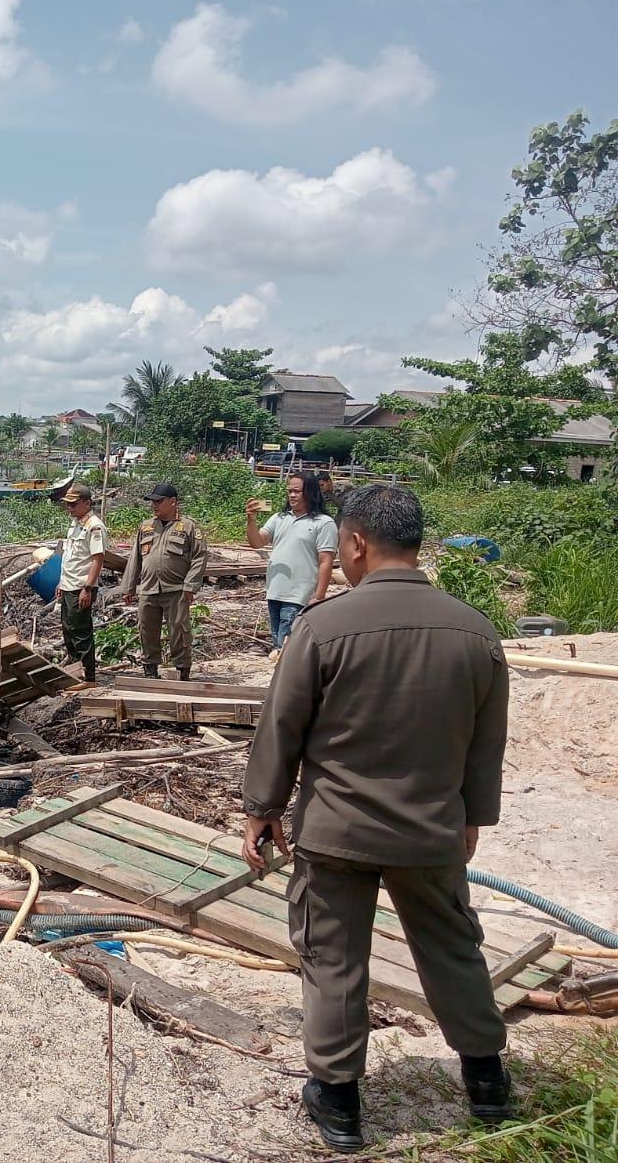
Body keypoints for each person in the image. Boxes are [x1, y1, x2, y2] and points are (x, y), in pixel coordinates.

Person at [242, 484, 512, 1152]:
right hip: (431, 831)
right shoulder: (476, 631)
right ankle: (486, 1084)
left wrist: (262, 808)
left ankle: (338, 1106)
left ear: (356, 543)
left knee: (334, 960)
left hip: (336, 831)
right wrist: (473, 817)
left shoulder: (323, 627)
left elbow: (283, 725)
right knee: (452, 949)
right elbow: (486, 741)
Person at [120, 482, 208, 680]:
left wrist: (191, 585)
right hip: (149, 588)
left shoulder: (188, 527)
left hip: (176, 589)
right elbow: (136, 558)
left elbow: (200, 557)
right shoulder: (146, 526)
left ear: (173, 502)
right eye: (153, 502)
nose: (155, 505)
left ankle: (182, 670)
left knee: (179, 630)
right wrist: (129, 587)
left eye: (159, 501)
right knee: (147, 630)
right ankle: (150, 669)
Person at [245, 473, 338, 653]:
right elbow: (257, 542)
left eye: (297, 491)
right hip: (275, 591)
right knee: (280, 644)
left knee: (285, 645)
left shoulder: (323, 523)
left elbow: (326, 561)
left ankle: (285, 677)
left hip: (299, 595)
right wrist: (251, 520)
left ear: (310, 492)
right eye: (290, 491)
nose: (292, 495)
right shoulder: (279, 518)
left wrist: (319, 596)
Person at [56, 483, 106, 681]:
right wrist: (61, 582)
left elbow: (97, 559)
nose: (70, 508)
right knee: (68, 630)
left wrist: (87, 588)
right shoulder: (76, 524)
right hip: (69, 585)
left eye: (74, 504)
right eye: (67, 505)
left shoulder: (94, 526)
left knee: (81, 633)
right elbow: (71, 557)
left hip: (80, 588)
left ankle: (88, 678)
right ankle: (76, 673)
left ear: (87, 503)